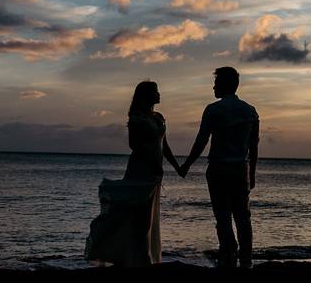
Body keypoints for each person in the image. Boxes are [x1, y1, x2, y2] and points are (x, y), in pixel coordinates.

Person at [85, 81, 182, 266]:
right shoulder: (137, 117)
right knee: (138, 218)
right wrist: (152, 162)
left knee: (146, 219)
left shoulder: (159, 117)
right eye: (155, 91)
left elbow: (165, 146)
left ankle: (139, 258)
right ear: (146, 95)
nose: (159, 94)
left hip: (155, 173)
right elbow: (134, 145)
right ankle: (139, 259)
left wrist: (178, 168)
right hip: (141, 170)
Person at [177, 67, 259, 269]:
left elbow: (201, 141)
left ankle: (228, 255)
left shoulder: (213, 110)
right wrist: (253, 173)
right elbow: (253, 146)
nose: (213, 87)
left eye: (216, 83)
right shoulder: (250, 111)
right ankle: (246, 260)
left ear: (223, 85)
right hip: (241, 169)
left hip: (219, 170)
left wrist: (187, 164)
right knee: (242, 217)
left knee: (222, 216)